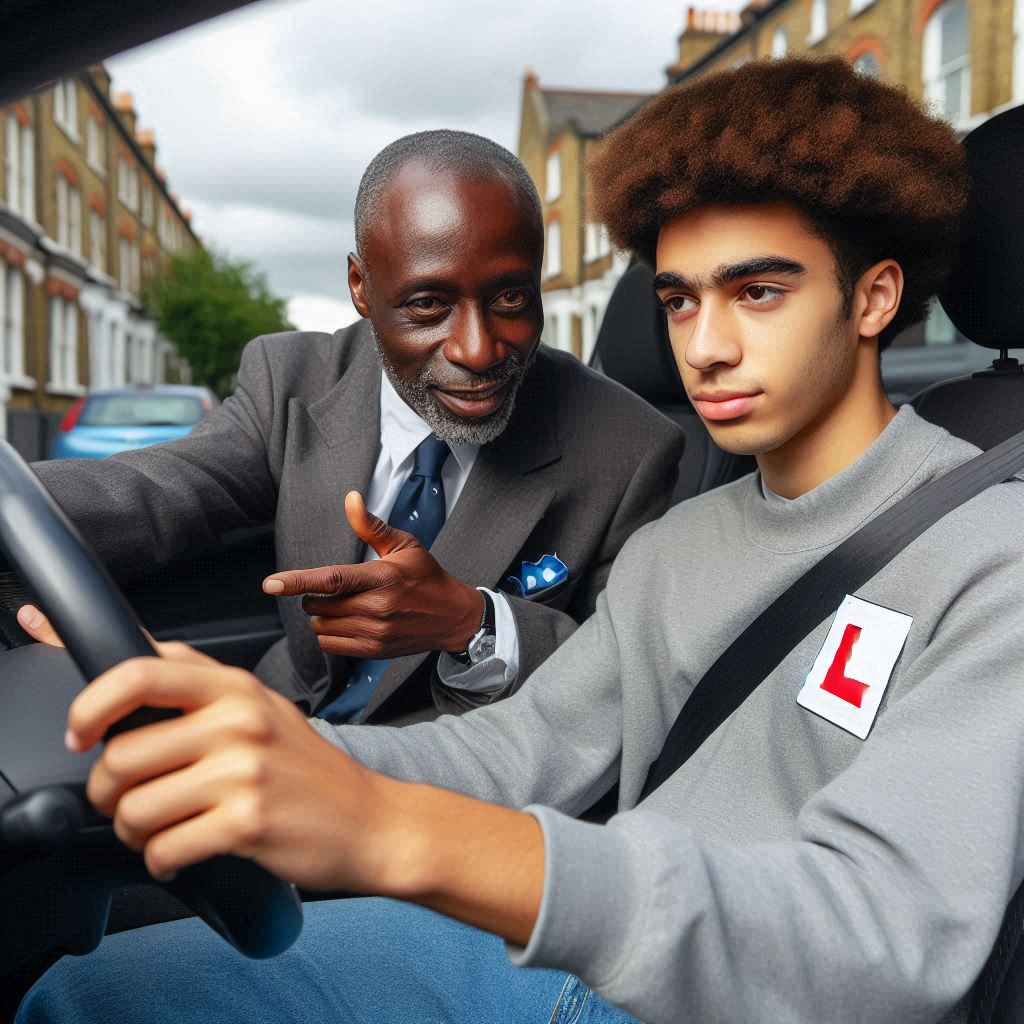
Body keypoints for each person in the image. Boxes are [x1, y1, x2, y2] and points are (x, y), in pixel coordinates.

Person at [17, 55, 1023, 1024]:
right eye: (679, 299)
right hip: (577, 958)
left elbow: (882, 942)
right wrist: (274, 747)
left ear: (874, 297)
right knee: (82, 991)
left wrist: (400, 833)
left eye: (756, 292)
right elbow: (522, 749)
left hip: (708, 991)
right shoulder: (684, 543)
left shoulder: (994, 557)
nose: (705, 346)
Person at [26, 130, 684, 726]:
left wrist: (471, 622)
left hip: (454, 791)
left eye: (510, 298)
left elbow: (623, 679)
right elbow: (151, 492)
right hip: (282, 726)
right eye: (428, 305)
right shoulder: (289, 379)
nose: (479, 350)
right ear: (360, 287)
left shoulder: (629, 449)